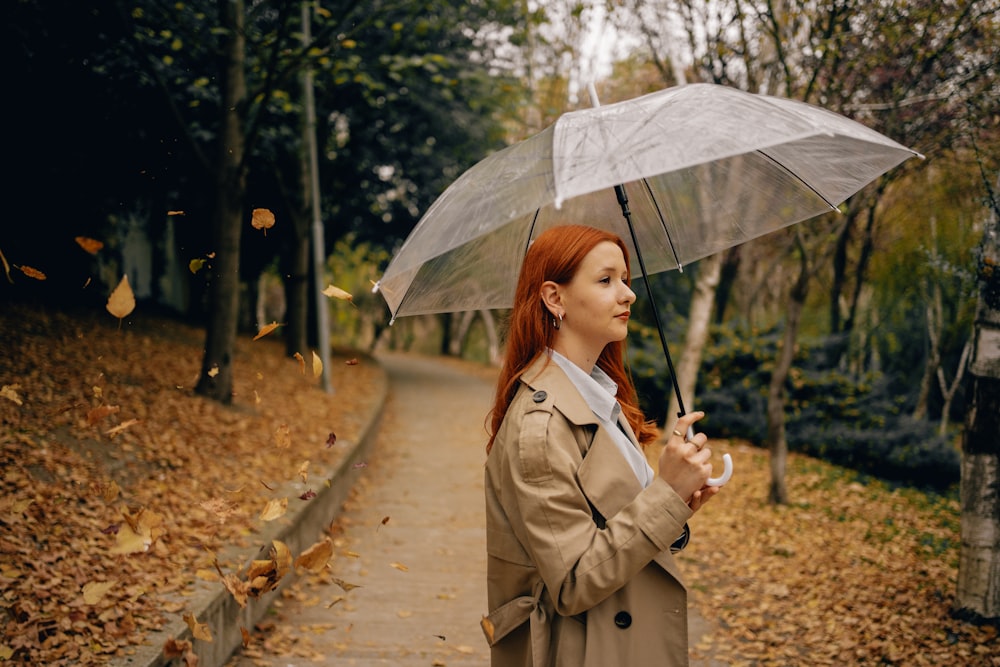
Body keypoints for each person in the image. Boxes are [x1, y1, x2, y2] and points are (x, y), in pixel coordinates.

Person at [481, 224, 723, 667]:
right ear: (555, 299)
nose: (628, 294)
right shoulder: (541, 427)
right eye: (606, 280)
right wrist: (665, 496)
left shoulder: (598, 399)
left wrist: (678, 503)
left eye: (626, 280)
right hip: (581, 649)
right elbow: (573, 581)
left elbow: (614, 525)